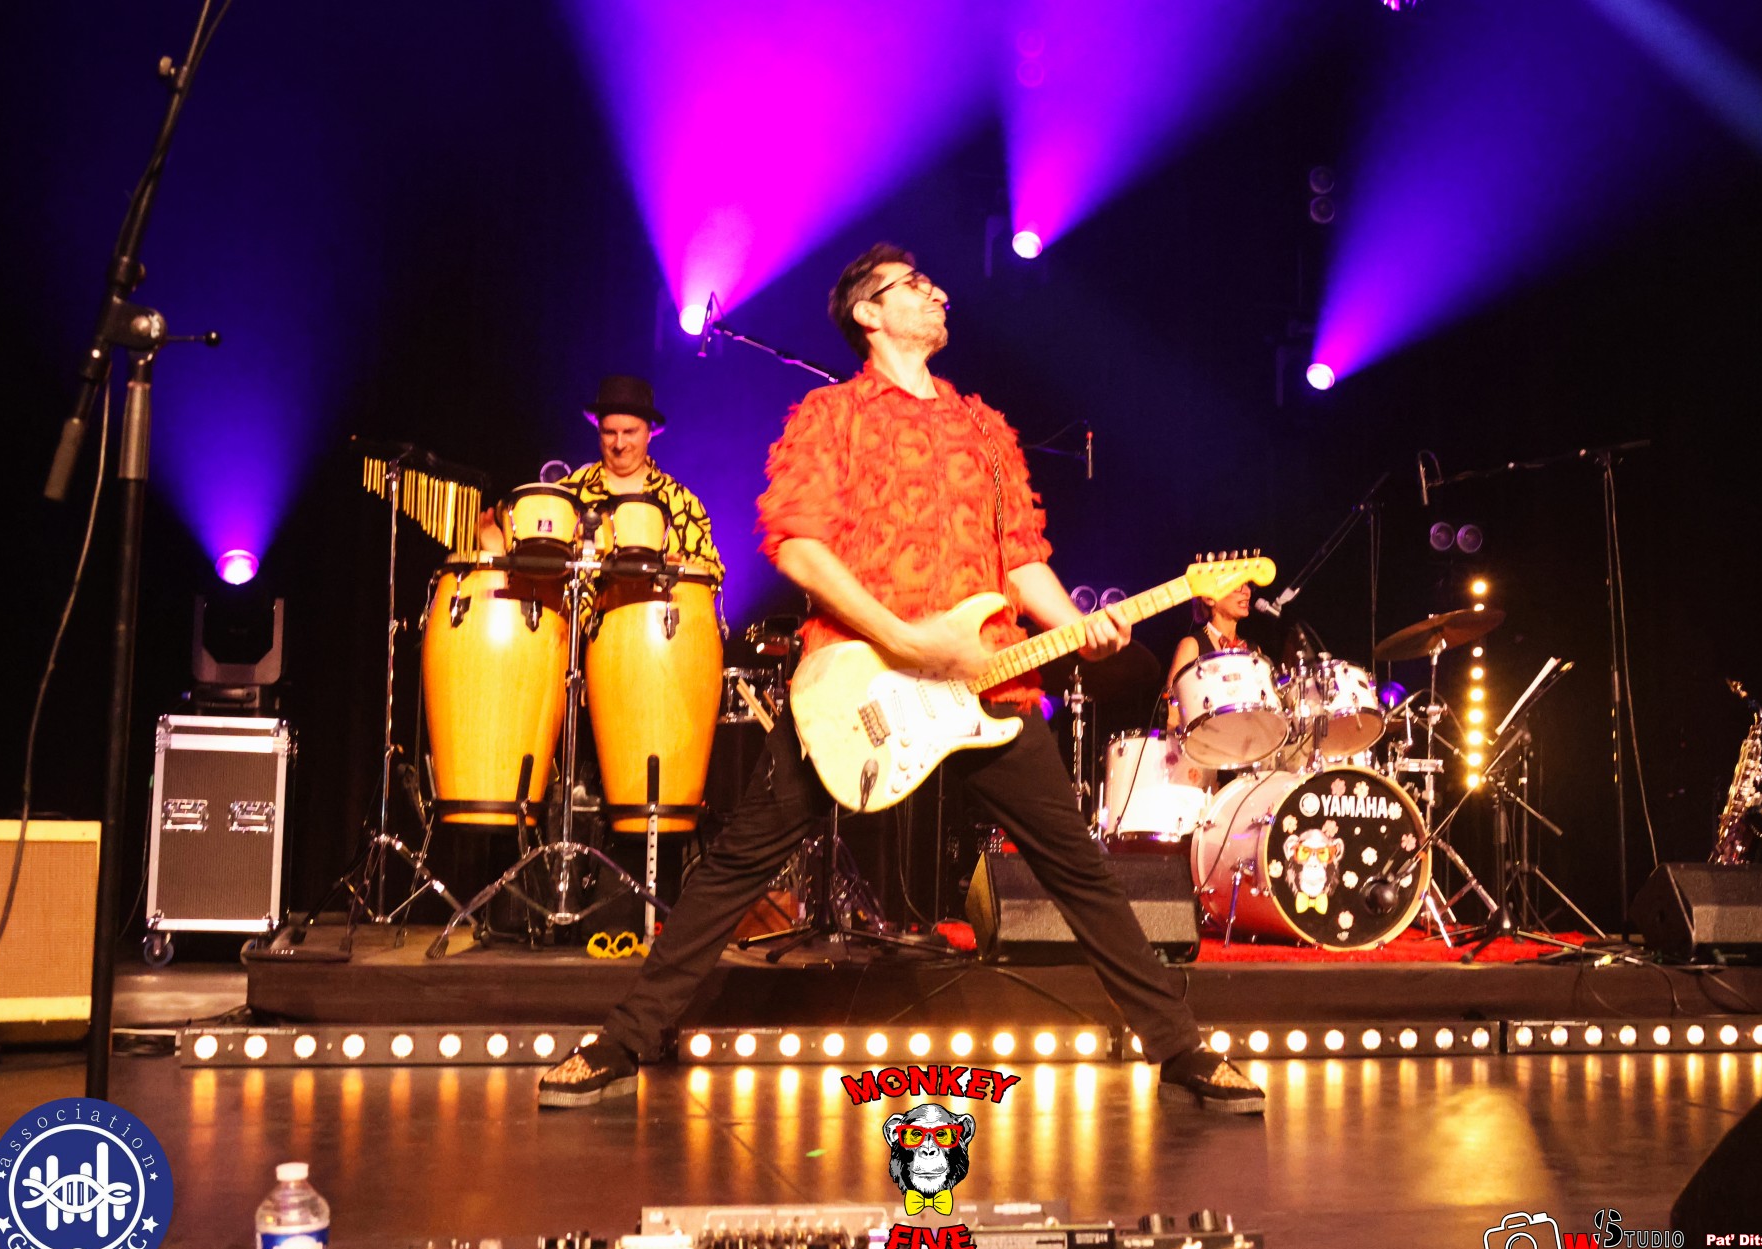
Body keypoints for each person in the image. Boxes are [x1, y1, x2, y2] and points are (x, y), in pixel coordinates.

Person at [537, 243, 1264, 1115]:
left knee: (1081, 870)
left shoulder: (985, 429)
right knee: (737, 864)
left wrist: (1079, 629)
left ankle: (1181, 1050)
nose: (939, 292)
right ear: (869, 312)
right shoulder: (830, 416)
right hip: (855, 683)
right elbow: (799, 547)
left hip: (988, 691)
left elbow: (1021, 559)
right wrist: (909, 643)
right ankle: (624, 1038)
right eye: (917, 286)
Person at [479, 375, 722, 579]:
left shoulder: (681, 502)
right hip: (576, 624)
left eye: (630, 432)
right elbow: (534, 576)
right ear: (598, 430)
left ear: (649, 432)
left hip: (657, 621)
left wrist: (682, 572)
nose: (619, 444)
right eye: (609, 432)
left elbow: (713, 573)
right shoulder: (566, 495)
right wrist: (499, 553)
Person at [1164, 583, 1261, 734]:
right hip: (1204, 743)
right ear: (1209, 598)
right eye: (1237, 585)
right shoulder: (1191, 646)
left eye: (1247, 585)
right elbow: (1172, 715)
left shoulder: (1253, 650)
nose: (1247, 592)